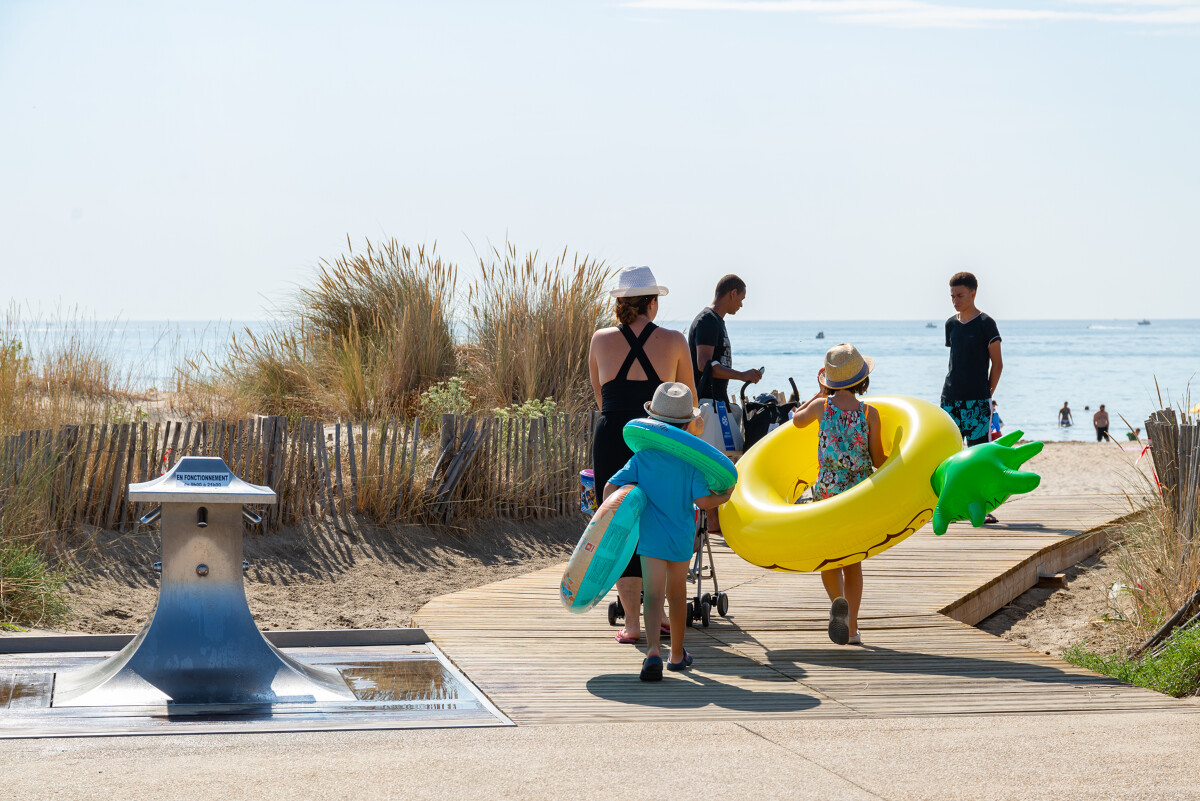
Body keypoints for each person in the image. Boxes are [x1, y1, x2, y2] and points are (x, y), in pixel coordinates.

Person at [588, 266, 698, 646]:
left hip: (613, 436)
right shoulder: (674, 340)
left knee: (619, 526)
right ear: (652, 303)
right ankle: (661, 615)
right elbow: (691, 409)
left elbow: (602, 400)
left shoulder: (600, 340)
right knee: (662, 520)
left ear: (620, 303)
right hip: (659, 442)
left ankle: (633, 623)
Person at [603, 383, 732, 681]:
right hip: (680, 539)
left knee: (653, 597)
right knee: (676, 597)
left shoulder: (642, 458)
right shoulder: (690, 462)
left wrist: (612, 514)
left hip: (649, 540)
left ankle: (652, 654)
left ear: (651, 422)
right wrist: (725, 497)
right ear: (688, 424)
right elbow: (702, 500)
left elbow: (611, 486)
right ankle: (676, 654)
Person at [790, 344, 886, 646]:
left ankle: (836, 601)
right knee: (853, 562)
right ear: (862, 379)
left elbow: (796, 419)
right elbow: (877, 459)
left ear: (829, 380)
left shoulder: (822, 408)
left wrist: (820, 393)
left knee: (830, 559)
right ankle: (853, 627)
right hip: (856, 496)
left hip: (827, 495)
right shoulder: (870, 414)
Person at [688, 274, 762, 534]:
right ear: (732, 293)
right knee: (712, 465)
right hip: (707, 401)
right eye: (741, 298)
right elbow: (703, 364)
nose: (741, 304)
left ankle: (717, 522)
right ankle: (714, 524)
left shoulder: (717, 321)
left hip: (718, 401)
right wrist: (742, 375)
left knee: (722, 462)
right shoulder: (708, 321)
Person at [940, 272, 1003, 523]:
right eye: (952, 296)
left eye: (960, 295)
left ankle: (981, 508)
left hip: (978, 402)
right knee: (951, 455)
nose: (955, 300)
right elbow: (956, 361)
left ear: (973, 293)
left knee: (977, 456)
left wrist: (987, 394)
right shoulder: (950, 325)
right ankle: (952, 507)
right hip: (950, 399)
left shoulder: (987, 323)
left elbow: (997, 365)